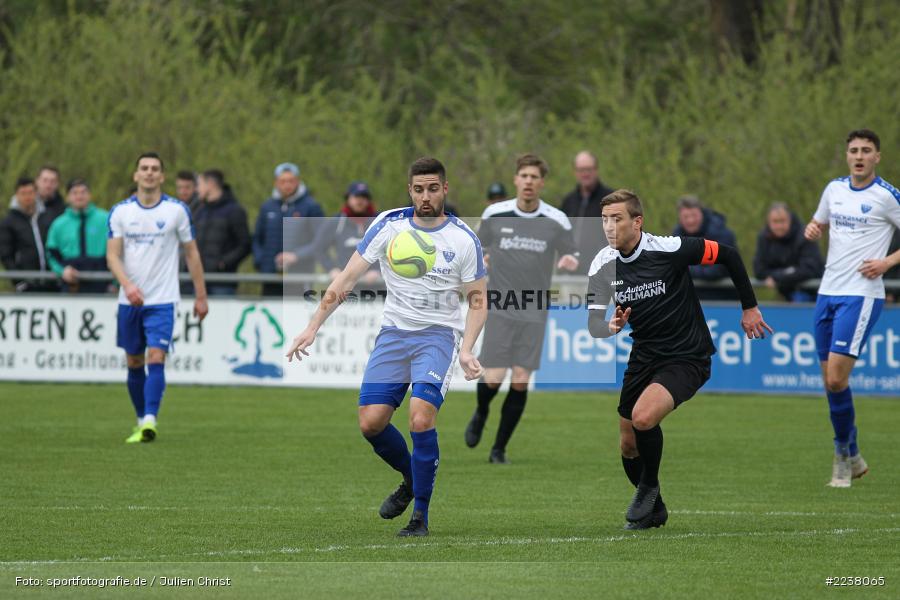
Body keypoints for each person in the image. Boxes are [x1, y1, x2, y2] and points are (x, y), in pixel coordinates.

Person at [286, 157, 487, 537]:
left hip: (439, 336)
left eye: (432, 188)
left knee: (420, 419)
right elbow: (346, 278)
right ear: (409, 190)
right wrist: (312, 326)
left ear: (445, 189)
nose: (425, 196)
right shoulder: (388, 225)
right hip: (394, 335)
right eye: (418, 189)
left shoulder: (463, 239)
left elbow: (478, 300)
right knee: (371, 422)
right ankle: (413, 480)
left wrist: (467, 349)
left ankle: (420, 518)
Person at [588, 189, 771, 529]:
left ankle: (648, 489)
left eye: (617, 219)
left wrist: (749, 306)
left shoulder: (668, 248)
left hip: (687, 355)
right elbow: (594, 322)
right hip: (644, 355)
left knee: (643, 418)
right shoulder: (601, 264)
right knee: (628, 444)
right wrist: (609, 326)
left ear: (637, 222)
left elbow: (728, 254)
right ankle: (655, 510)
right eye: (604, 220)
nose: (609, 227)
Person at [465, 154, 579, 464]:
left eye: (534, 177)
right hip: (501, 305)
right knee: (493, 377)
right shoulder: (495, 213)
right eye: (524, 176)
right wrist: (482, 258)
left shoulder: (556, 219)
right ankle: (481, 411)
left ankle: (499, 448)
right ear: (516, 179)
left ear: (542, 183)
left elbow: (572, 253)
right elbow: (475, 247)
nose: (528, 182)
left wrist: (570, 261)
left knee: (520, 378)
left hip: (535, 309)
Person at [804, 129, 900, 487]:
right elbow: (820, 221)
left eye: (866, 150)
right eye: (854, 150)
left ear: (877, 157)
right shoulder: (834, 189)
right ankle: (853, 454)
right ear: (847, 155)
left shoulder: (887, 196)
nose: (859, 156)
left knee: (835, 379)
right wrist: (814, 228)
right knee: (831, 385)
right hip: (828, 292)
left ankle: (842, 456)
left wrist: (886, 264)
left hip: (861, 295)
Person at [106, 152, 208, 444]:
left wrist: (201, 296)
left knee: (156, 356)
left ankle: (151, 418)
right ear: (135, 175)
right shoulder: (121, 212)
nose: (149, 173)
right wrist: (127, 285)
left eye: (154, 169)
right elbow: (112, 255)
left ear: (162, 176)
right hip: (130, 301)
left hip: (163, 300)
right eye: (144, 168)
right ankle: (141, 419)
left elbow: (192, 253)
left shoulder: (176, 211)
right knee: (134, 361)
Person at [252, 162, 324, 296]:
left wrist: (297, 256)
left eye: (291, 181)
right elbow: (257, 238)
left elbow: (321, 241)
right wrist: (261, 261)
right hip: (270, 276)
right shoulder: (267, 207)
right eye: (283, 181)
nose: (287, 185)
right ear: (276, 183)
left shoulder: (311, 206)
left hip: (300, 275)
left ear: (298, 181)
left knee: (297, 315)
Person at [192, 169, 251, 296]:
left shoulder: (235, 211)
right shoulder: (199, 211)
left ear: (210, 184)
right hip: (197, 280)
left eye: (200, 185)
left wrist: (223, 264)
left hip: (223, 283)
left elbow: (245, 244)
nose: (197, 189)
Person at [312, 181, 381, 288]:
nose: (360, 200)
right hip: (344, 288)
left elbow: (391, 249)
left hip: (375, 286)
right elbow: (319, 248)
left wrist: (378, 270)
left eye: (364, 196)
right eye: (356, 196)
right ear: (348, 198)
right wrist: (332, 269)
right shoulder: (336, 222)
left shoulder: (380, 221)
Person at [46, 179, 110, 293]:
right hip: (71, 284)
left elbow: (118, 252)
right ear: (68, 197)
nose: (79, 196)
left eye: (83, 192)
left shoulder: (105, 219)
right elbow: (51, 253)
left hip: (101, 281)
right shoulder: (59, 224)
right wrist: (62, 271)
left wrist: (114, 282)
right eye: (75, 193)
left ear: (90, 195)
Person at [753, 202, 825, 302]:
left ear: (790, 219)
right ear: (769, 222)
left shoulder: (805, 234)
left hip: (815, 293)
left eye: (782, 221)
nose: (779, 226)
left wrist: (776, 276)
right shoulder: (764, 237)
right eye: (775, 222)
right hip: (787, 296)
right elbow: (759, 270)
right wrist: (786, 274)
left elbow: (809, 269)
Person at [672, 195, 739, 300]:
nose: (690, 220)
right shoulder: (676, 236)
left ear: (701, 213)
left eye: (694, 215)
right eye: (686, 217)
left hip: (724, 299)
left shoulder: (721, 233)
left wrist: (687, 268)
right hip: (690, 300)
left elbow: (718, 270)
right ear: (680, 218)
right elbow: (673, 267)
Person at [559, 151, 614, 275]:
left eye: (589, 169)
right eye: (581, 170)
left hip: (601, 272)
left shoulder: (611, 199)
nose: (585, 174)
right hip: (570, 273)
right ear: (575, 172)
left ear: (596, 170)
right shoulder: (569, 201)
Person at [0, 177, 59, 292]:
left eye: (30, 192)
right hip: (27, 284)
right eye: (23, 193)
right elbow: (6, 256)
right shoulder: (8, 222)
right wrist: (18, 281)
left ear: (36, 193)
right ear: (16, 195)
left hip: (52, 281)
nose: (27, 197)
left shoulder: (48, 216)